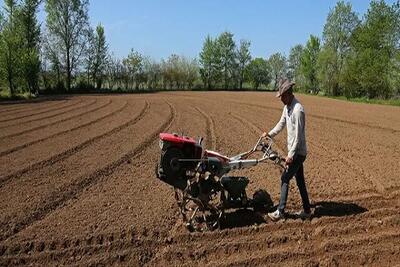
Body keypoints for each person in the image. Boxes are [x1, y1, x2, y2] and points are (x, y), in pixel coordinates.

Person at [262, 79, 311, 221]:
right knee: (300, 181)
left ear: (289, 94)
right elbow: (281, 124)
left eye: (283, 96)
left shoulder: (298, 110)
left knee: (285, 178)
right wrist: (269, 134)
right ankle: (307, 211)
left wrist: (290, 156)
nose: (281, 99)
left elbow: (298, 137)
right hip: (294, 152)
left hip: (298, 153)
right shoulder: (287, 107)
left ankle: (280, 211)